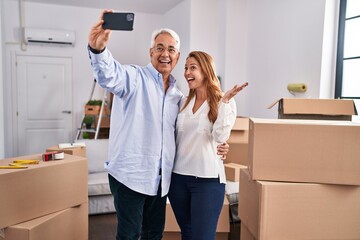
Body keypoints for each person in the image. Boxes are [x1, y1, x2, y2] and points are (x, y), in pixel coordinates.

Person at [87, 10, 230, 240]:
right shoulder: (134, 78)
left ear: (178, 56)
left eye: (171, 49)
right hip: (130, 176)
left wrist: (220, 145)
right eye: (160, 48)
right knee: (129, 235)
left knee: (153, 234)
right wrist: (98, 50)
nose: (165, 54)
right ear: (151, 52)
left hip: (160, 181)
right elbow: (109, 75)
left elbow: (188, 133)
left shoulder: (178, 96)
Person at [168, 51, 248, 240]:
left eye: (193, 68)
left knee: (202, 236)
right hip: (178, 179)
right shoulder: (183, 102)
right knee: (187, 234)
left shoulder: (223, 101)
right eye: (186, 68)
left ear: (206, 70)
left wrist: (226, 102)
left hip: (207, 180)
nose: (187, 72)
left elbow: (221, 136)